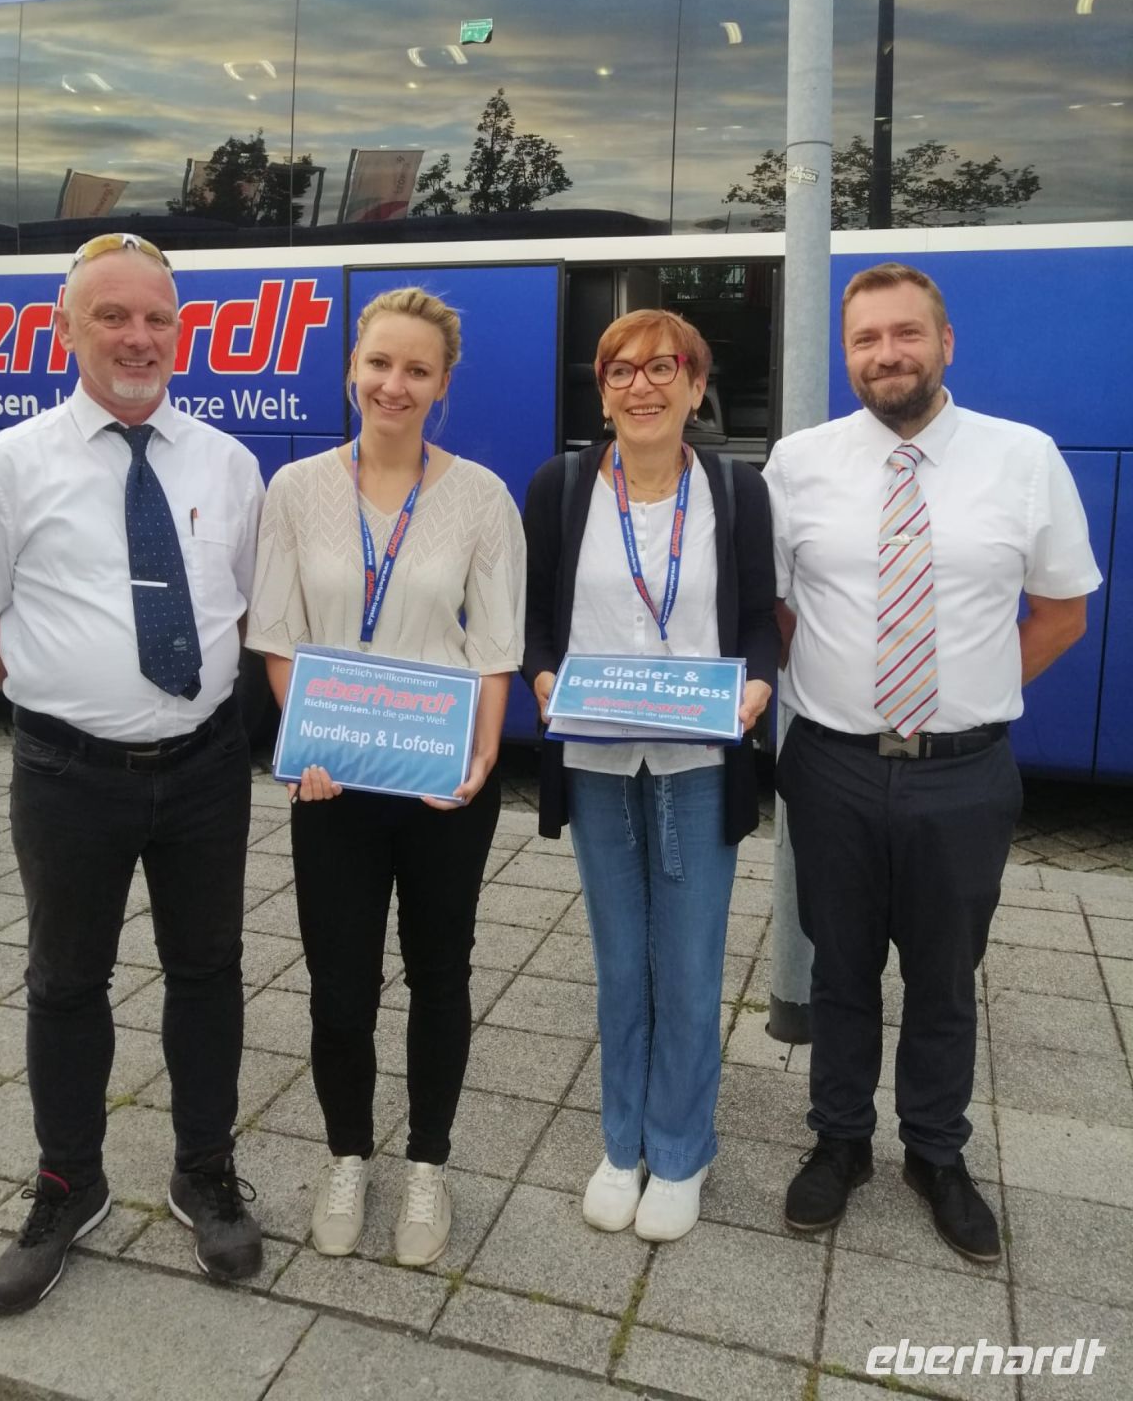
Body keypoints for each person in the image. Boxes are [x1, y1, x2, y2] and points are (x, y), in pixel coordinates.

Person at [0, 233, 266, 1314]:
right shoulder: (3, 467)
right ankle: (69, 1183)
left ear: (181, 330)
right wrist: (57, 691)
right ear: (64, 329)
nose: (137, 336)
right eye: (112, 316)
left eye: (156, 319)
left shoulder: (227, 462)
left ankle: (203, 1170)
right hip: (69, 775)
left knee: (208, 971)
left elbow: (249, 609)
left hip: (209, 768)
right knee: (66, 982)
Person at [764, 261, 1101, 1263]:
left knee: (948, 977)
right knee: (839, 968)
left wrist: (971, 691)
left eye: (906, 334)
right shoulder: (800, 461)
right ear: (847, 354)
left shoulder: (1024, 458)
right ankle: (839, 1142)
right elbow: (779, 609)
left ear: (946, 343)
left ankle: (936, 1154)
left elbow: (1061, 613)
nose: (887, 355)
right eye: (866, 339)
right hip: (830, 763)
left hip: (965, 771)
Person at [246, 286, 524, 1267]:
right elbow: (277, 636)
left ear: (443, 384)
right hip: (334, 779)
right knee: (338, 987)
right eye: (379, 364)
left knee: (440, 972)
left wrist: (483, 755)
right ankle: (348, 1154)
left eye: (416, 370)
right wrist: (305, 739)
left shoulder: (482, 496)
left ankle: (428, 1168)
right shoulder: (295, 490)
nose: (393, 385)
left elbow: (494, 649)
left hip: (442, 778)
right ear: (351, 371)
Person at [523, 308, 778, 1243]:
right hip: (594, 759)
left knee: (691, 963)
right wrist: (542, 677)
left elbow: (759, 622)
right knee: (619, 964)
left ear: (696, 386)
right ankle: (619, 1140)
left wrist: (755, 688)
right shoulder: (557, 488)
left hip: (698, 759)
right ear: (602, 390)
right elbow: (534, 624)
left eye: (664, 367)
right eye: (621, 370)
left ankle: (679, 1150)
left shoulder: (737, 493)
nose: (643, 384)